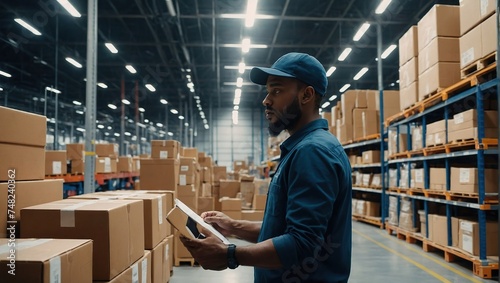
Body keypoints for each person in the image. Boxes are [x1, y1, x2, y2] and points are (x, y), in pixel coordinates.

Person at [180, 52, 352, 283]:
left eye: (277, 91)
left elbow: (302, 243)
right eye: (268, 91)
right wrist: (233, 227)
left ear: (306, 95)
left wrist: (230, 255)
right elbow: (286, 229)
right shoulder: (302, 148)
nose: (266, 100)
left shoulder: (312, 152)